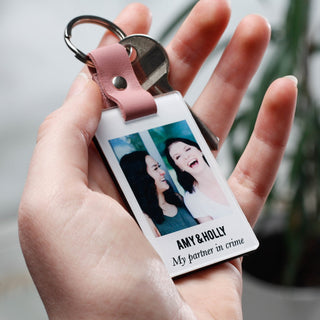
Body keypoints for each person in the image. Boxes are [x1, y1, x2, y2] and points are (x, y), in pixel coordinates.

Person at [18, 1, 297, 319]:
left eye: (166, 161)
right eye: (162, 164)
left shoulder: (185, 203)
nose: (164, 169)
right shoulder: (151, 221)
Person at [119, 151, 198, 236]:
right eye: (155, 168)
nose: (162, 172)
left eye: (158, 167)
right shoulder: (146, 218)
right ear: (142, 177)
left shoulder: (178, 198)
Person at [165, 137, 232, 223]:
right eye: (178, 157)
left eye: (187, 149)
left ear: (200, 150)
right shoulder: (192, 199)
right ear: (179, 167)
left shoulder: (225, 165)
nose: (186, 156)